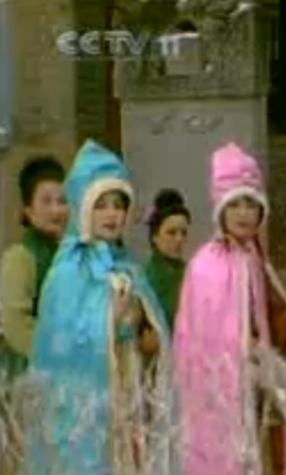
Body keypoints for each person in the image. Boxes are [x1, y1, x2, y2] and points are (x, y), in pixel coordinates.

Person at [25, 140, 172, 475]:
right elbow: (56, 348)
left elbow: (152, 334)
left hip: (127, 402)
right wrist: (110, 320)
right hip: (85, 414)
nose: (111, 214)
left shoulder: (129, 268)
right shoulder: (67, 271)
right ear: (83, 208)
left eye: (118, 205)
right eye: (101, 205)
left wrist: (147, 335)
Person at [173, 142, 286, 475]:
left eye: (250, 204)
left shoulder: (257, 260)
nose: (243, 213)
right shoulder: (203, 266)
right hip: (215, 393)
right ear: (221, 210)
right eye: (234, 204)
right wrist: (236, 354)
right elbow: (192, 339)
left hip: (256, 388)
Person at [0, 157, 67, 381]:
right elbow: (15, 324)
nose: (56, 210)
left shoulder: (66, 254)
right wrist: (54, 354)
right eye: (46, 202)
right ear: (28, 210)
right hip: (31, 373)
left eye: (62, 201)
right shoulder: (20, 257)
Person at [144, 188, 190, 330]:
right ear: (155, 236)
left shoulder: (192, 273)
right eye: (171, 233)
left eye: (183, 233)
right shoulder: (146, 279)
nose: (179, 239)